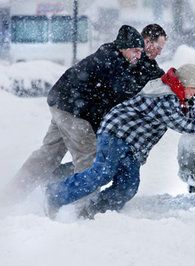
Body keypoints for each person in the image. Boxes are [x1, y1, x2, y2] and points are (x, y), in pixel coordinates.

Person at [46, 64, 195, 219]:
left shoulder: (174, 93)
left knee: (127, 186)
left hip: (132, 144)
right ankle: (55, 195)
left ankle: (93, 212)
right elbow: (183, 124)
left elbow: (185, 112)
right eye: (194, 88)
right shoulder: (165, 97)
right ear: (184, 84)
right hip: (115, 133)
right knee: (102, 173)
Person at [3, 24, 167, 203]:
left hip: (62, 104)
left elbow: (151, 76)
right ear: (144, 43)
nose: (157, 52)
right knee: (90, 158)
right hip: (74, 111)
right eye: (157, 47)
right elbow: (123, 91)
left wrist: (172, 83)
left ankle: (13, 195)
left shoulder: (124, 56)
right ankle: (80, 206)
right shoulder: (113, 60)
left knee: (48, 155)